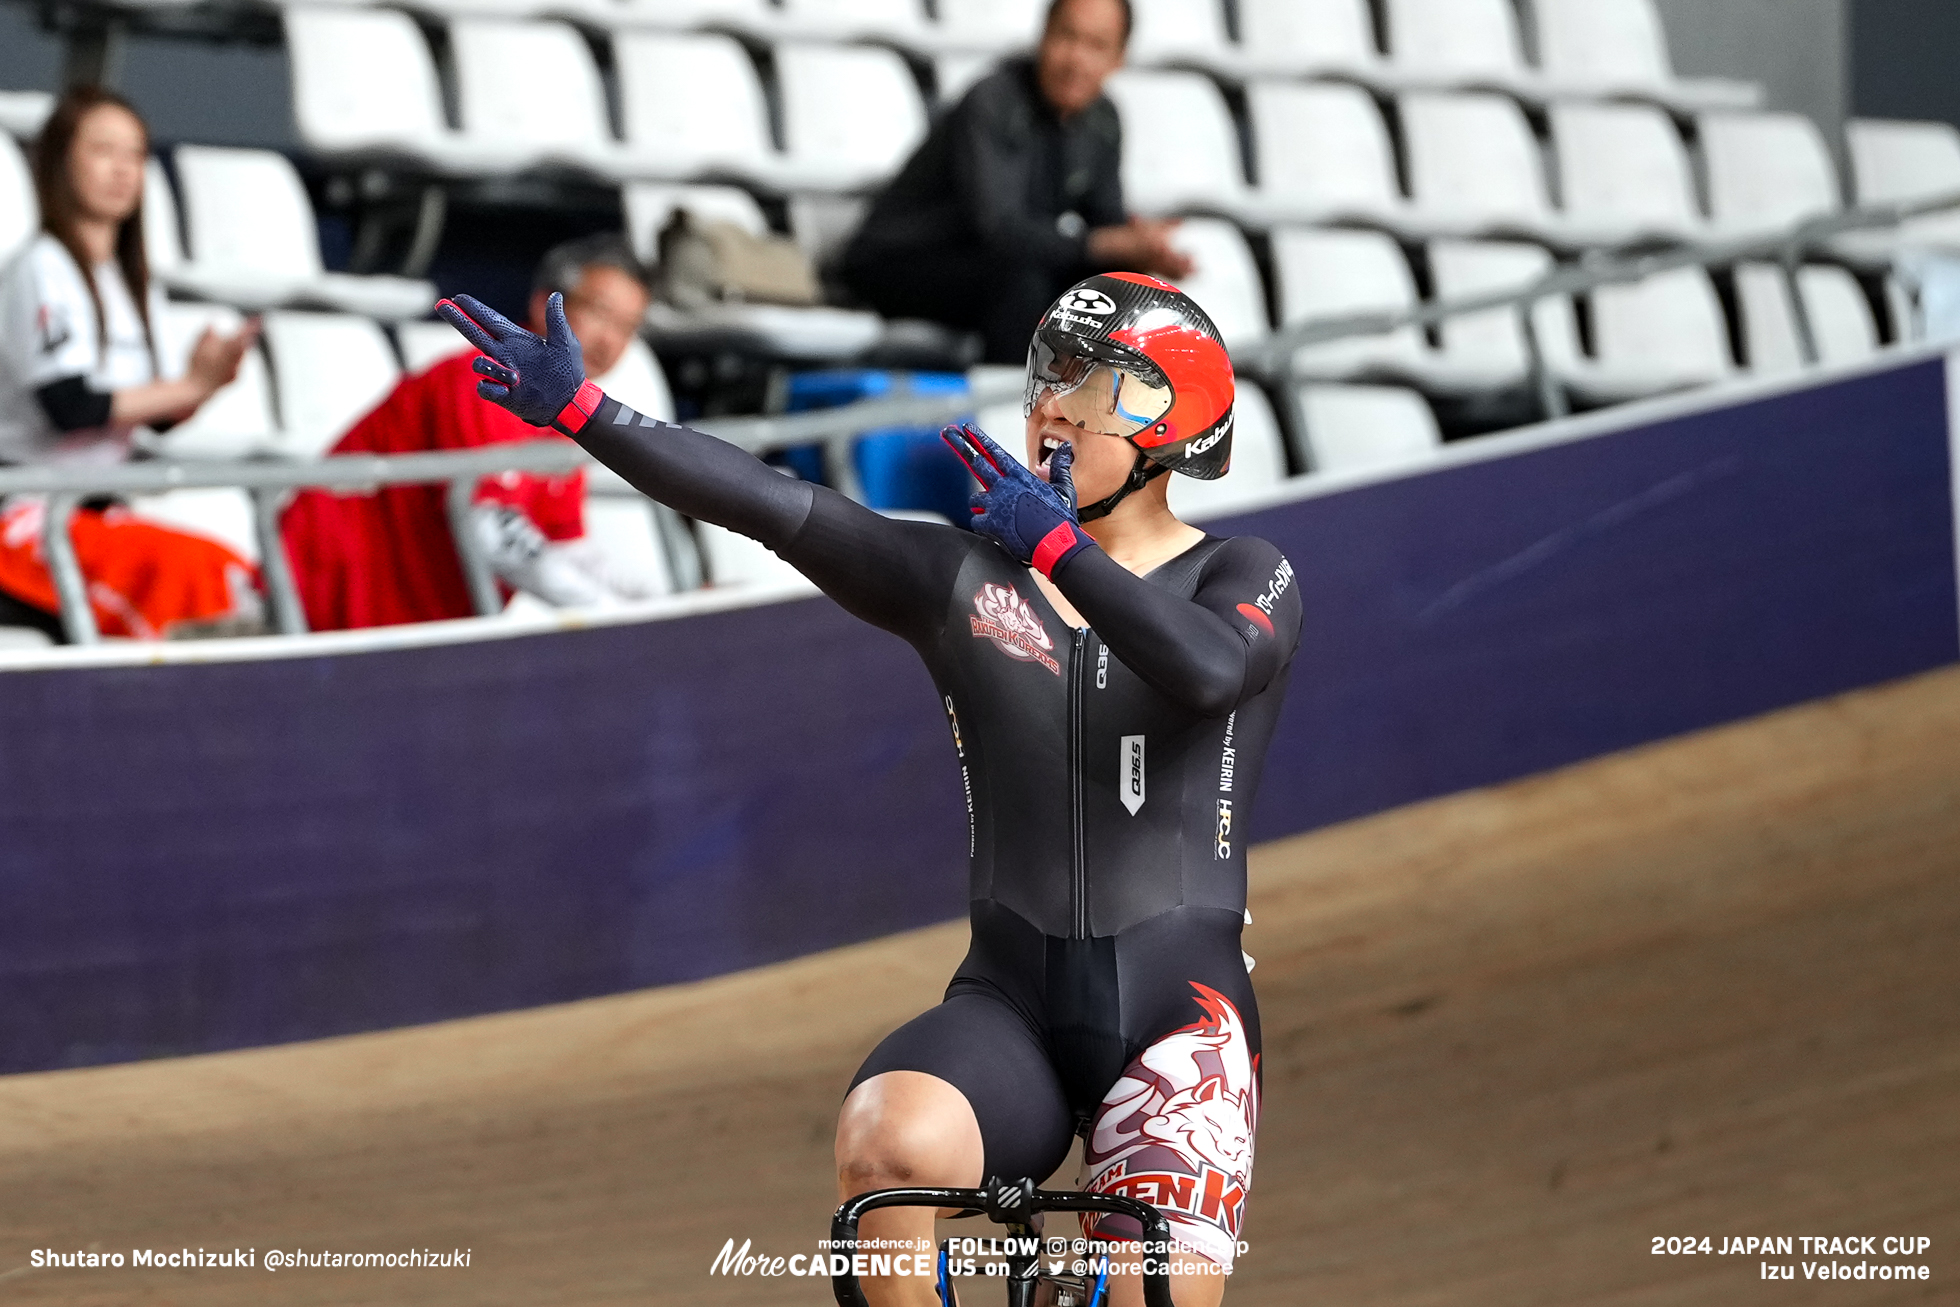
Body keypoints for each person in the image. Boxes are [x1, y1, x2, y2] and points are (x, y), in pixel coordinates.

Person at [438, 269, 1299, 1306]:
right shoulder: (958, 580)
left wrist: (1060, 550)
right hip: (1012, 1004)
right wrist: (587, 413)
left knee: (1146, 1289)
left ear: (1175, 420)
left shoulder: (1245, 572)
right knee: (883, 1146)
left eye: (1095, 381)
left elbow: (1206, 669)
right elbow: (767, 501)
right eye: (1046, 376)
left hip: (1180, 1014)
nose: (1054, 406)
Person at [280, 234, 662, 630]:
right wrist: (610, 610)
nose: (610, 340)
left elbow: (568, 550)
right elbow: (490, 530)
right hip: (317, 604)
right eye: (600, 313)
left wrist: (660, 605)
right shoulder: (488, 378)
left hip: (402, 627)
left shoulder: (563, 413)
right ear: (544, 303)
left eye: (627, 327)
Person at [0, 85, 262, 640]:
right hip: (24, 514)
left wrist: (205, 386)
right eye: (102, 151)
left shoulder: (129, 281)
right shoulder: (39, 268)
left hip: (92, 513)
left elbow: (152, 414)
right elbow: (71, 407)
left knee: (227, 571)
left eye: (136, 155)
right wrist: (189, 384)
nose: (122, 170)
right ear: (58, 162)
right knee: (181, 577)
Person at [841, 0, 1194, 365]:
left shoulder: (1103, 120)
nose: (1076, 59)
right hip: (899, 262)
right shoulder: (992, 100)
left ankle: (1106, 412)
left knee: (1120, 290)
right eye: (1067, 36)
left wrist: (1145, 252)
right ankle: (1015, 415)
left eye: (1096, 45)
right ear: (1043, 36)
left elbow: (1106, 229)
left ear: (1118, 58)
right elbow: (998, 230)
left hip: (996, 267)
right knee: (1024, 283)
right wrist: (1107, 243)